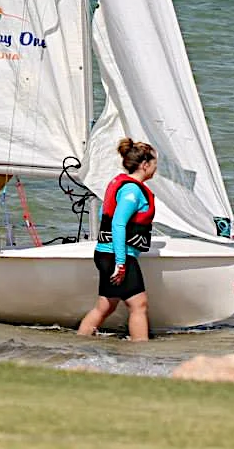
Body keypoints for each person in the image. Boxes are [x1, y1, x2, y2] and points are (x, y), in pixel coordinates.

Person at [77, 138, 158, 341]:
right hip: (117, 256)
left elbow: (109, 217)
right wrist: (121, 263)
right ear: (145, 164)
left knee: (105, 305)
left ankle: (79, 343)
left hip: (106, 253)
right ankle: (141, 352)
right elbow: (118, 224)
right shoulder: (132, 190)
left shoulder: (124, 185)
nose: (156, 168)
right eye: (155, 163)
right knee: (139, 305)